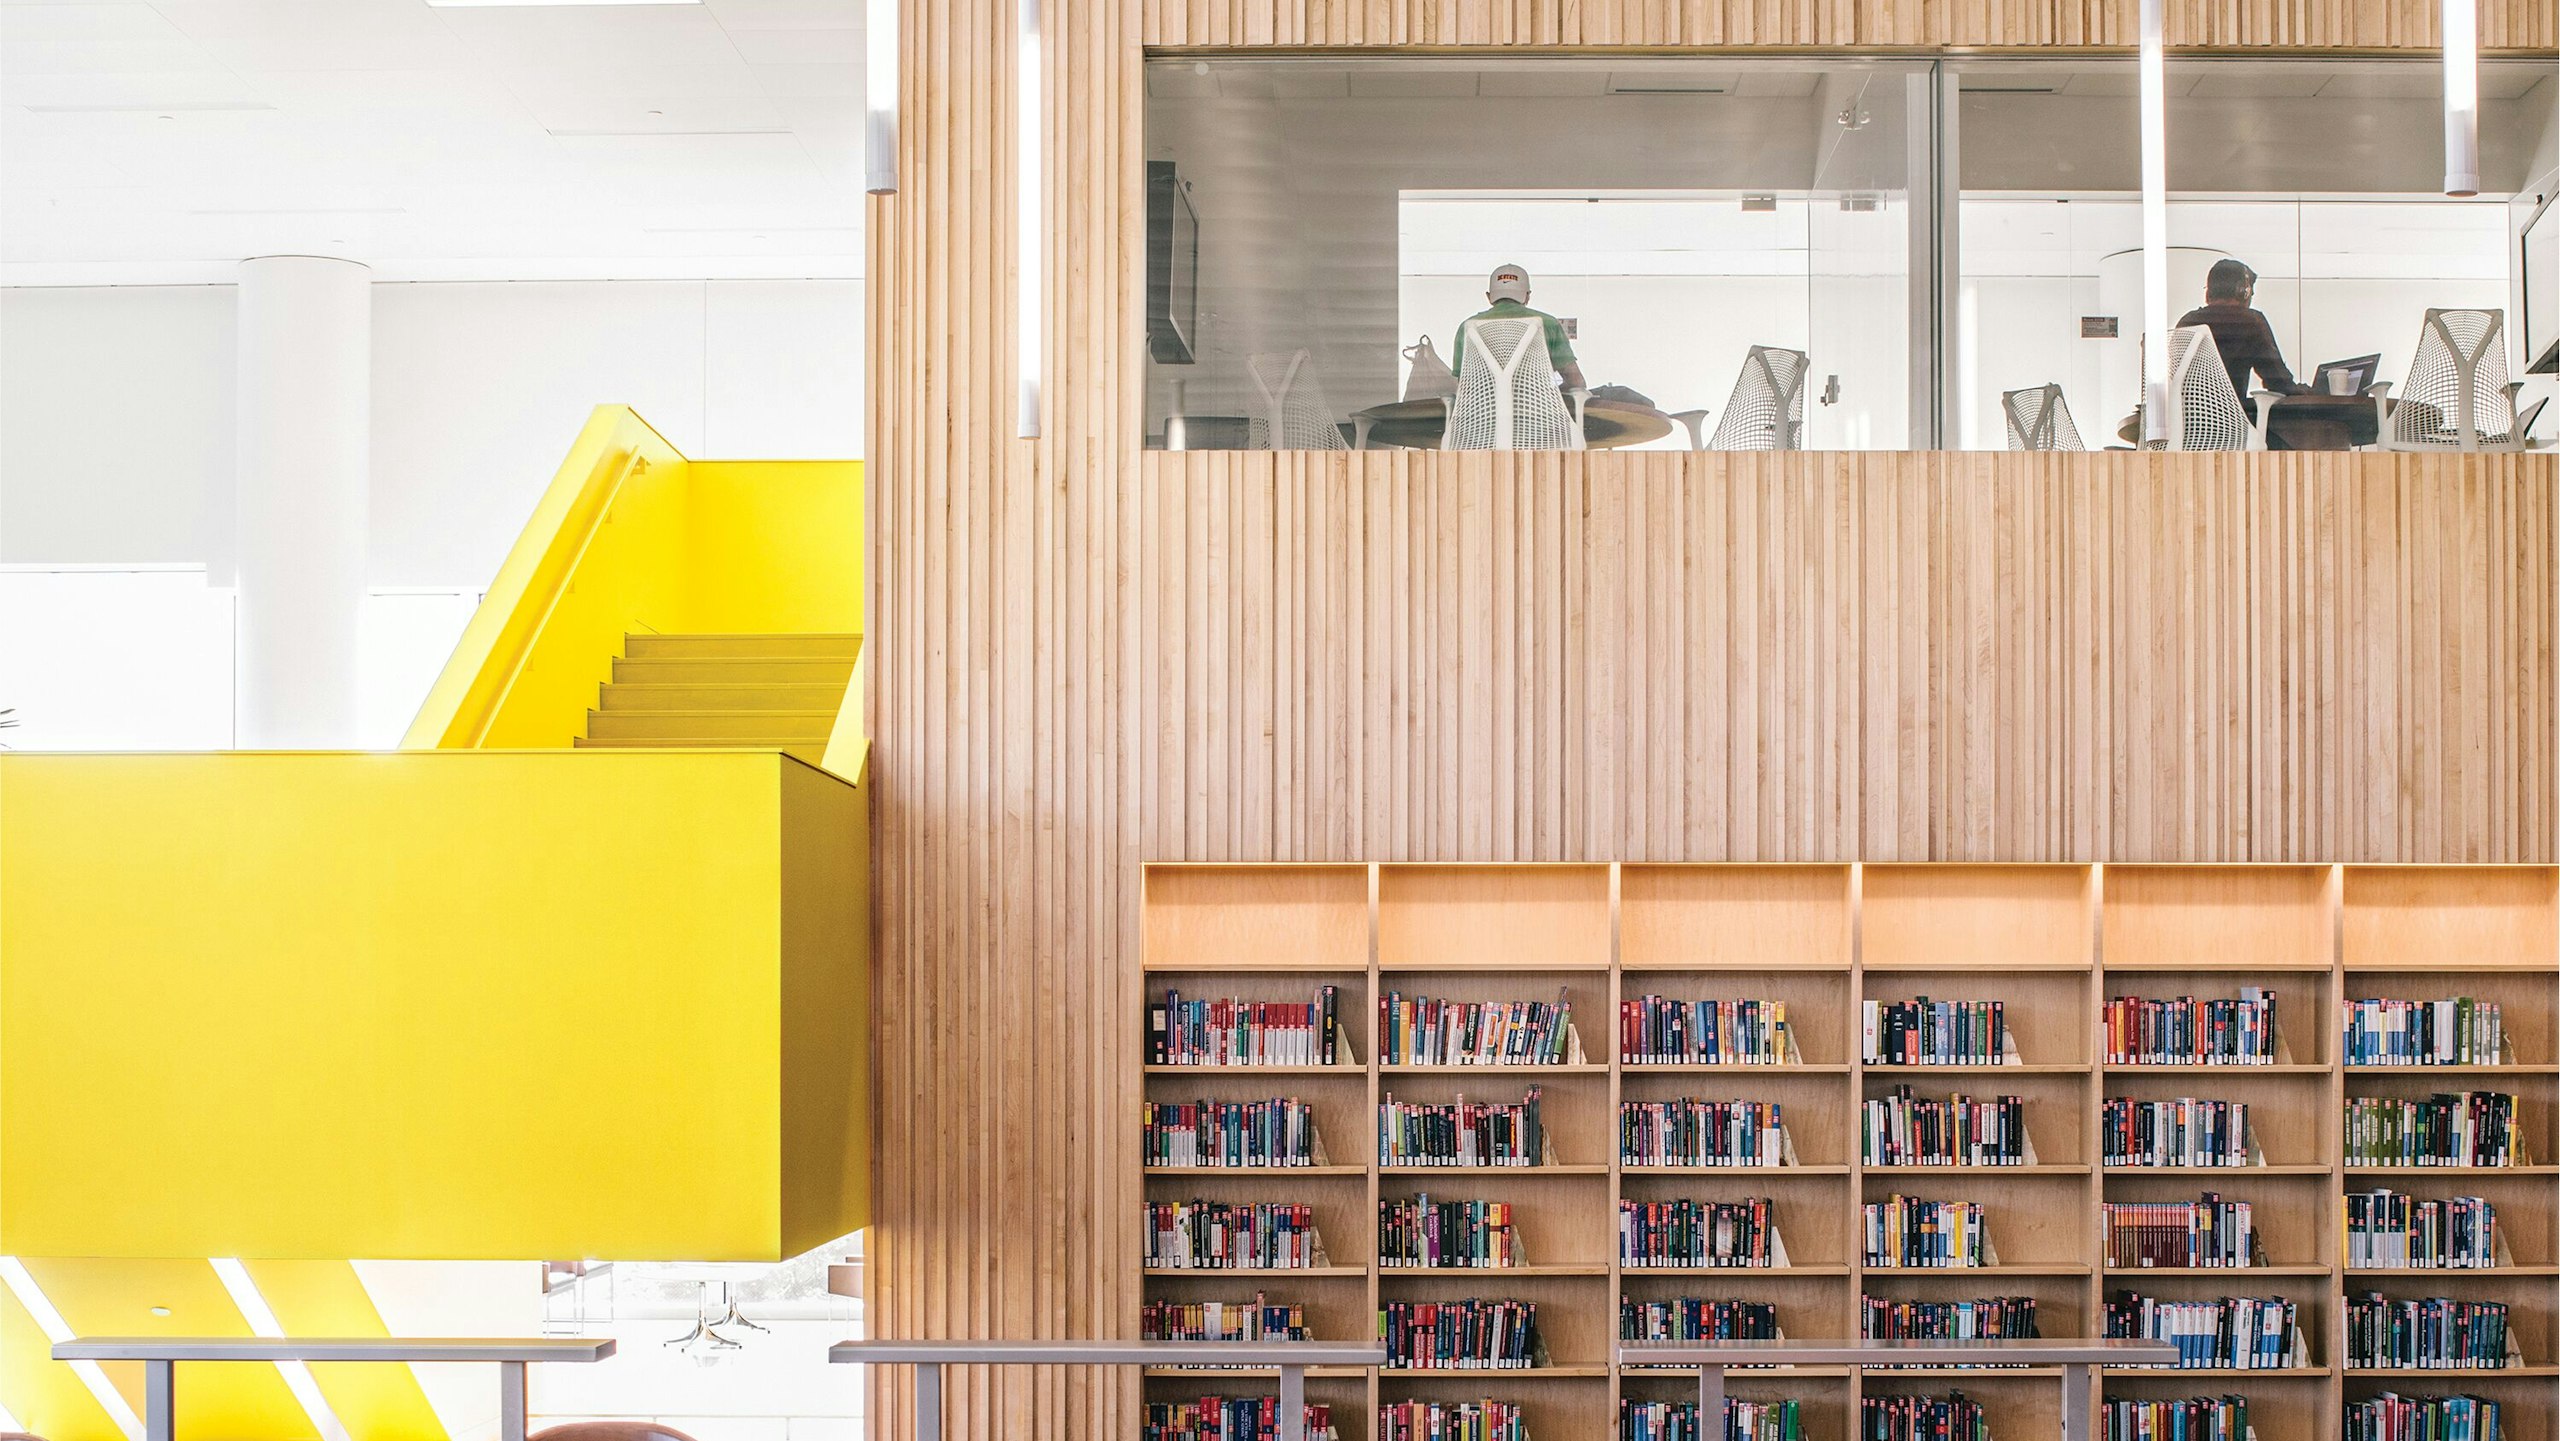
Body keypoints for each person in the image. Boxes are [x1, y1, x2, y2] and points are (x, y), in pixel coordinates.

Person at [2176, 259, 2306, 419]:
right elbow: (2277, 380)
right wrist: (2306, 392)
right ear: (2243, 291)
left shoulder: (2186, 322)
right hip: (2228, 427)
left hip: (2184, 428)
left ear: (2208, 293)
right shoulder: (2250, 321)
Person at [1454, 263, 1587, 393]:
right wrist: (1547, 394)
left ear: (1489, 297)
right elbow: (1576, 382)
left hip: (1482, 413)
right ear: (1527, 296)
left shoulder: (1467, 328)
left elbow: (1463, 387)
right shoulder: (1548, 324)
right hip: (1537, 413)